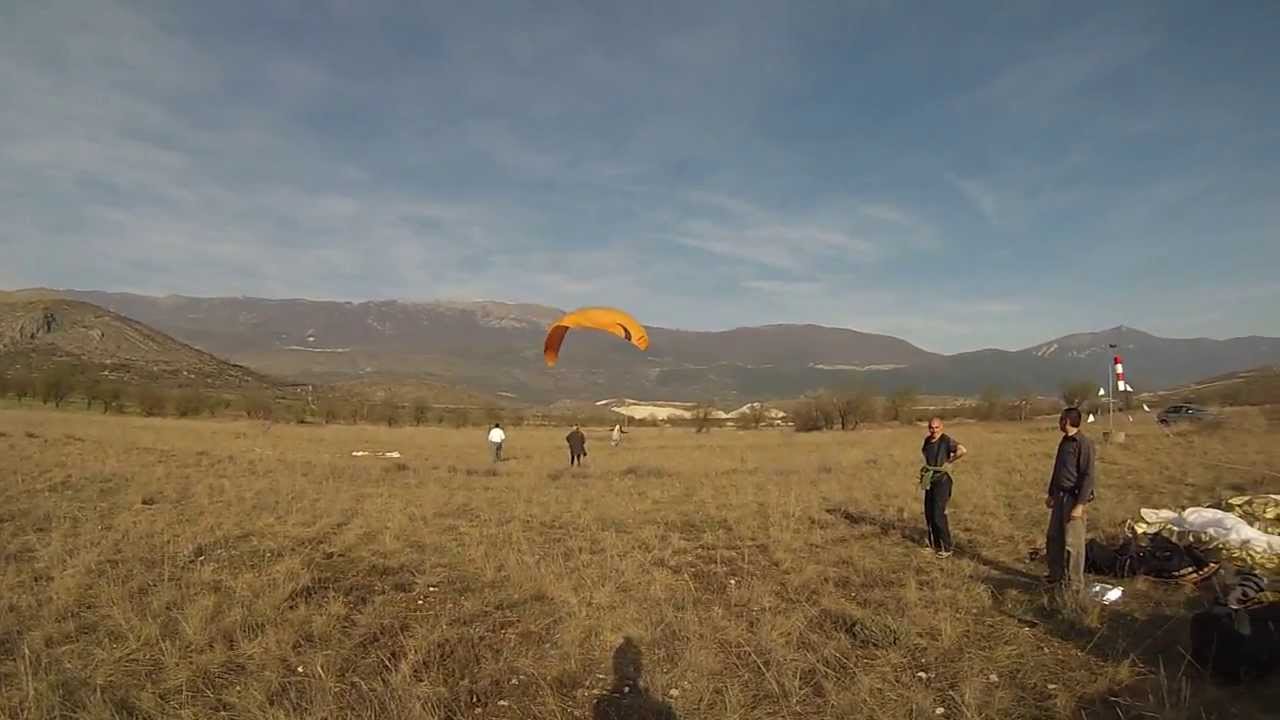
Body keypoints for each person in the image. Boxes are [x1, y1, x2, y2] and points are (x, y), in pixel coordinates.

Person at [1044, 407, 1096, 591]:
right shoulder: (1064, 442)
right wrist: (1051, 493)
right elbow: (1057, 470)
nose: (1059, 422)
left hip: (1074, 499)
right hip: (1059, 496)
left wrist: (1080, 505)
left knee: (1074, 544)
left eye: (1060, 419)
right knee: (1054, 537)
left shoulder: (1083, 444)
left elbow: (1088, 476)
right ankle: (1055, 575)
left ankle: (1074, 585)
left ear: (1066, 421)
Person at [920, 417, 967, 558]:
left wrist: (949, 461)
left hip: (943, 481)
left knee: (938, 513)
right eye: (931, 427)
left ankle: (946, 547)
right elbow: (925, 453)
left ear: (942, 427)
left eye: (936, 427)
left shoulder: (946, 440)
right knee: (929, 512)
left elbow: (962, 450)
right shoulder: (927, 440)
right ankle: (934, 545)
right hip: (930, 479)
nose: (934, 430)